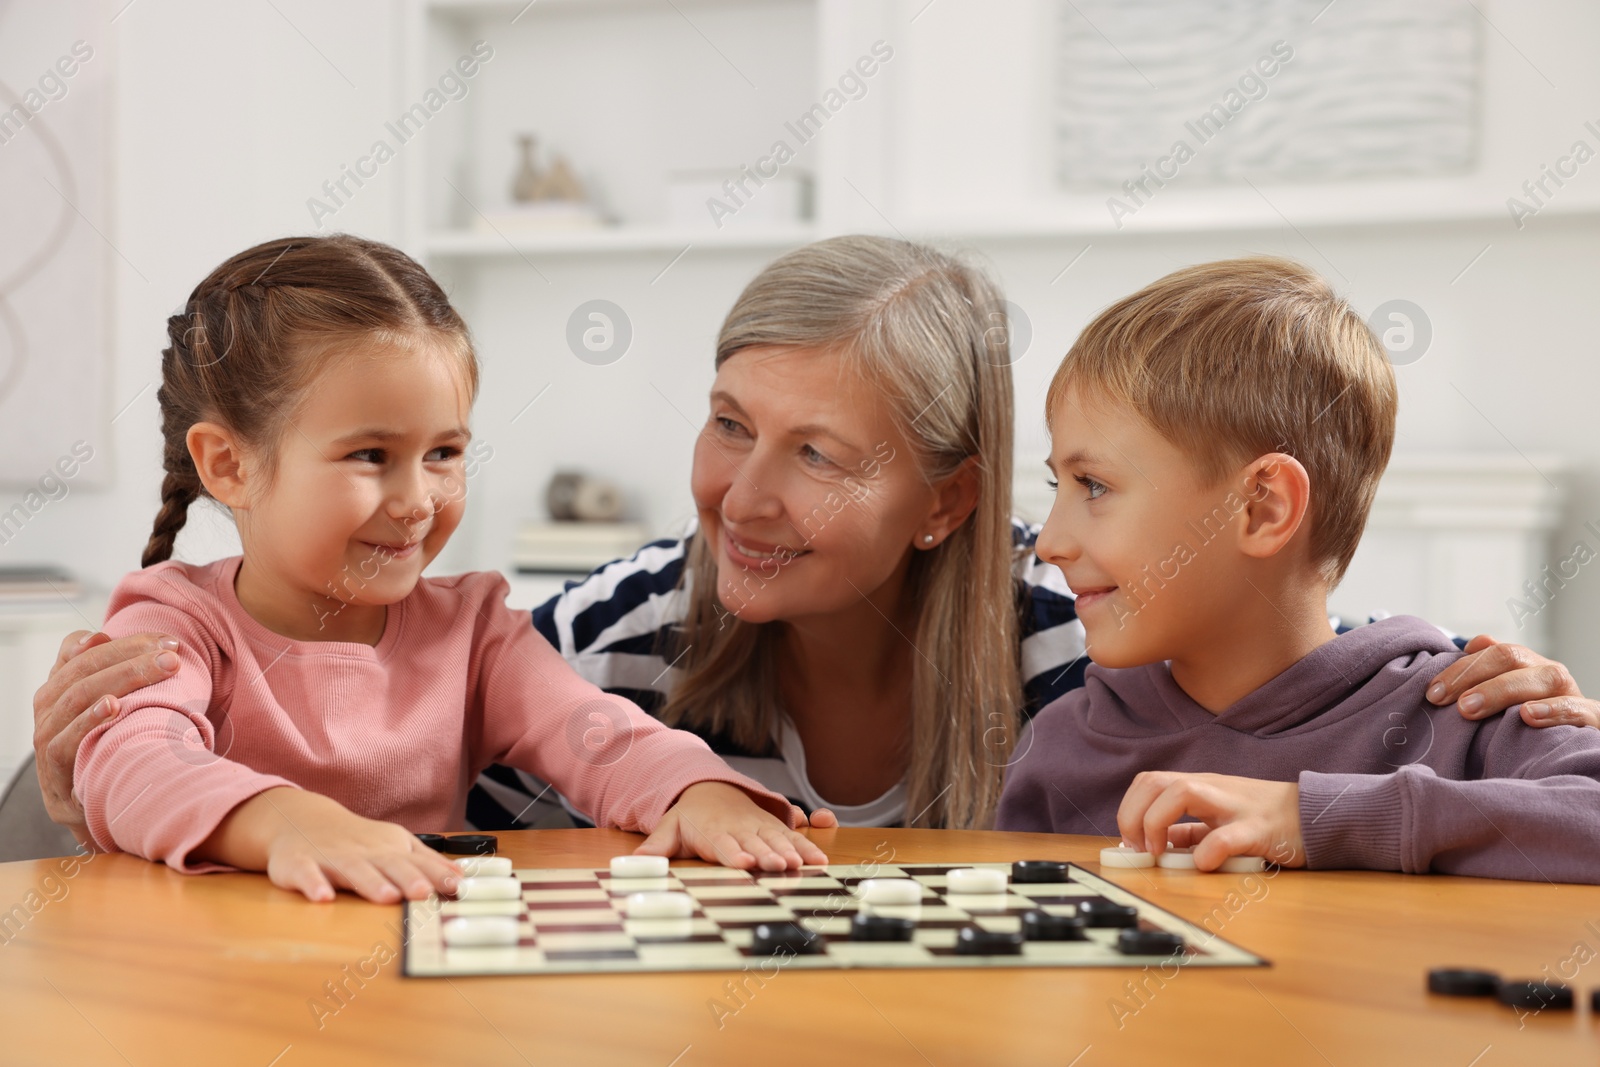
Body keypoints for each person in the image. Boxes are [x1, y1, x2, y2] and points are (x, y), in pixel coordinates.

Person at [32, 238, 1598, 843]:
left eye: (816, 455)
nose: (737, 496)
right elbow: (485, 756)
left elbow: (1282, 641)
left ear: (950, 501)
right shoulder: (623, 627)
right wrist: (88, 767)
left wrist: (1482, 684)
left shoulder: (1091, 652)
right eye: (728, 424)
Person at [73, 235, 825, 904]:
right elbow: (132, 764)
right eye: (371, 456)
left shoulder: (474, 631)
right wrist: (282, 820)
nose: (416, 500)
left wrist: (693, 789)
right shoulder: (172, 621)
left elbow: (599, 733)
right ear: (229, 464)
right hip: (217, 987)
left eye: (443, 453)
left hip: (417, 981)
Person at [996, 257, 1600, 884]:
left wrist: (1315, 816)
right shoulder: (1062, 745)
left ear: (1261, 508)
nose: (1051, 543)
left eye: (1093, 485)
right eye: (1056, 483)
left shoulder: (1469, 715)